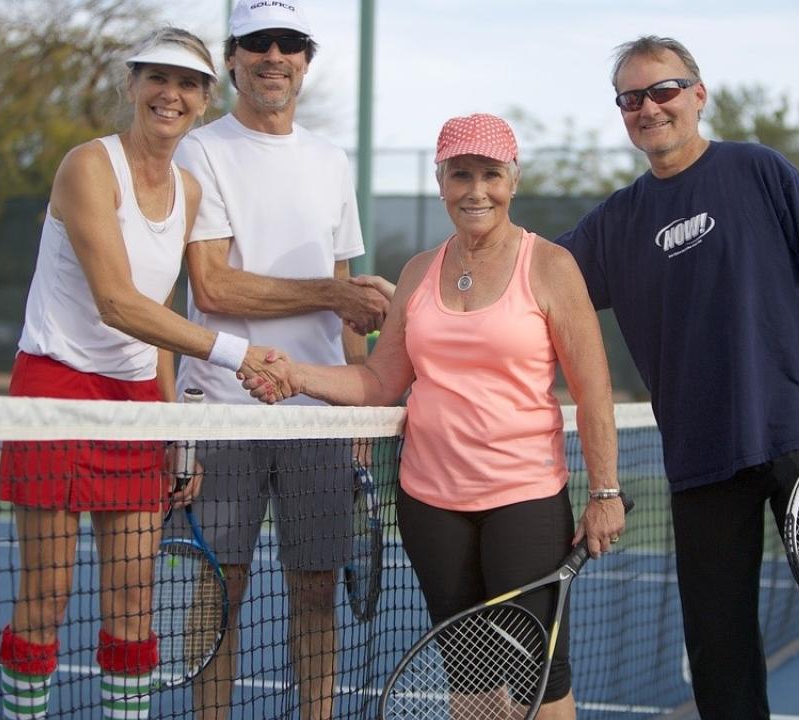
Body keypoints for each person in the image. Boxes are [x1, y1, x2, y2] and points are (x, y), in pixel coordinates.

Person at [555, 37, 799, 720]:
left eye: (664, 90)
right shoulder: (614, 223)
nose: (649, 108)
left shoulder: (760, 170)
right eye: (632, 98)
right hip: (701, 461)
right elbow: (532, 282)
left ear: (697, 94)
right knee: (718, 654)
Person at [245, 112, 628, 720]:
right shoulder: (420, 272)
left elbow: (594, 390)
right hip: (430, 504)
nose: (476, 190)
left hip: (523, 500)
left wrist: (605, 489)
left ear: (513, 178)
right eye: (461, 175)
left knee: (540, 681)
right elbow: (379, 382)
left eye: (491, 175)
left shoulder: (551, 266)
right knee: (469, 679)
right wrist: (297, 375)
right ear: (441, 180)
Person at [0, 28, 284, 720]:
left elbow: (153, 318)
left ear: (205, 100)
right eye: (157, 77)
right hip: (57, 389)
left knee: (133, 599)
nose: (170, 94)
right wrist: (236, 353)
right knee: (46, 595)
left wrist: (172, 425)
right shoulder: (88, 167)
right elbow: (117, 303)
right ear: (131, 86)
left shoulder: (188, 190)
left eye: (187, 84)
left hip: (135, 405)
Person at [168, 1, 393, 718]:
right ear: (232, 56)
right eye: (257, 42)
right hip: (225, 411)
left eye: (288, 43)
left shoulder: (331, 162)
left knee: (316, 590)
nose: (273, 55)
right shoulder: (199, 151)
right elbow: (212, 284)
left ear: (306, 58)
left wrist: (357, 406)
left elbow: (351, 303)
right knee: (219, 585)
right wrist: (328, 290)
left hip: (318, 419)